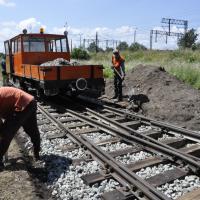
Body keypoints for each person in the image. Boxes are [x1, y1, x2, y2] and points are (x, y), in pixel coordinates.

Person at [0, 87, 41, 170]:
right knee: (31, 130)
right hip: (30, 102)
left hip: (22, 104)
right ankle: (37, 153)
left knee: (6, 133)